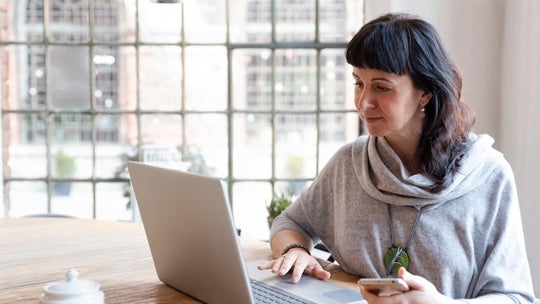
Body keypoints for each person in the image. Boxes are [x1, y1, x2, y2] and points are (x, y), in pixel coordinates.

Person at [257, 12, 536, 303]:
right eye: (358, 83)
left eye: (382, 86)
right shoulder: (348, 163)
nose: (363, 102)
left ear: (425, 92)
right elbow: (289, 223)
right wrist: (296, 251)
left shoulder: (490, 176)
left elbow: (515, 298)